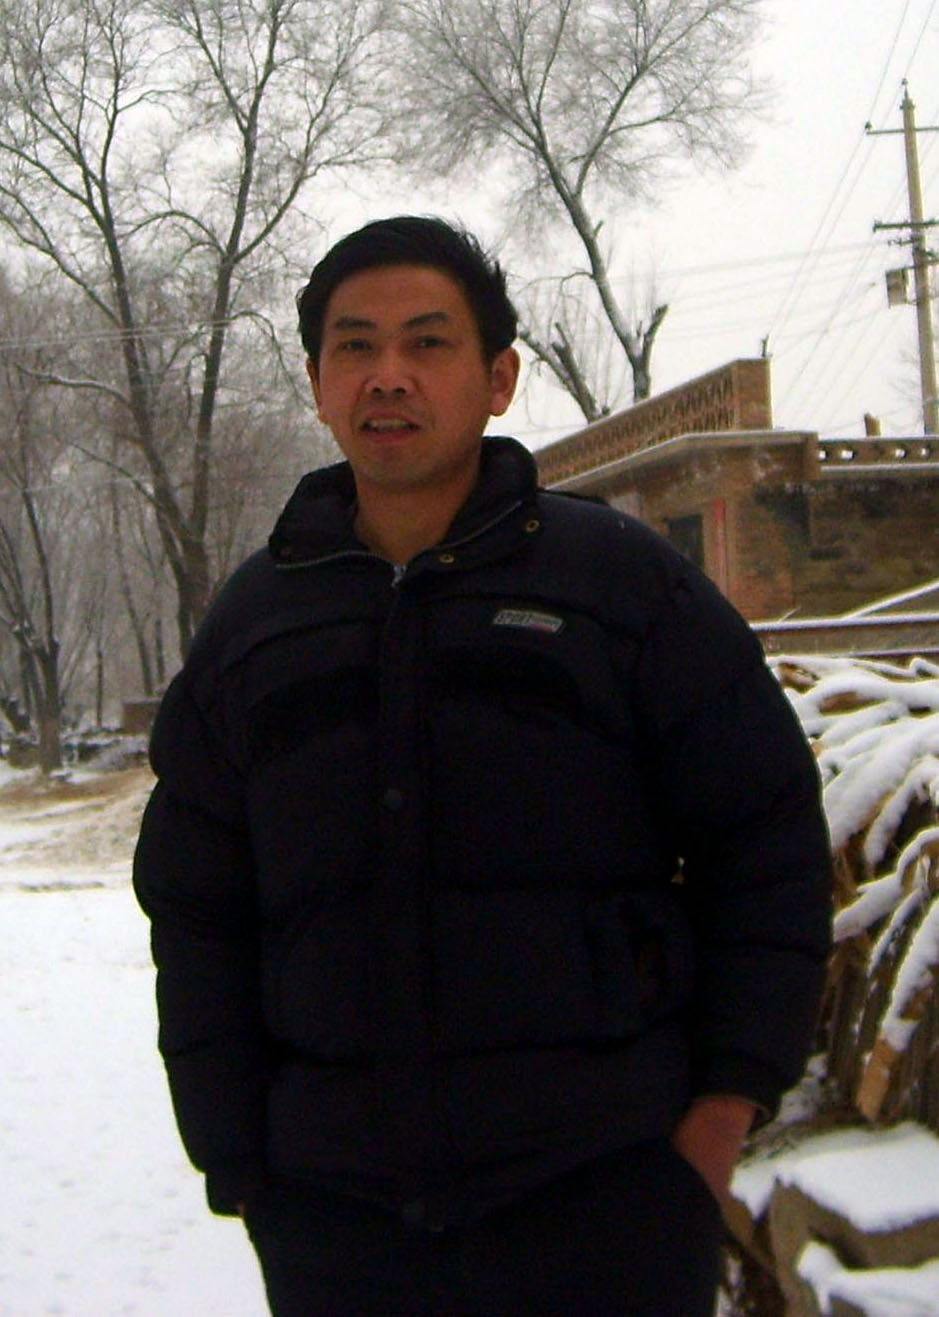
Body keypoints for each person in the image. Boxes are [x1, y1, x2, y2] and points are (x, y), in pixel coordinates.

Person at [133, 215, 832, 1315]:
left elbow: (767, 839)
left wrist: (722, 1109)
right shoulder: (255, 627)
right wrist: (240, 1158)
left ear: (499, 378)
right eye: (355, 347)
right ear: (317, 384)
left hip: (606, 1204)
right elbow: (195, 904)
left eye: (428, 342)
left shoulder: (622, 588)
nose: (389, 376)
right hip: (338, 1227)